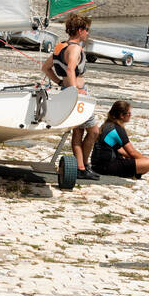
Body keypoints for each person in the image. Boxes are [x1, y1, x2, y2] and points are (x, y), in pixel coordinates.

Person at [41, 12, 101, 179]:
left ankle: (82, 167)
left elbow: (46, 68)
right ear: (80, 30)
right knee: (94, 131)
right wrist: (75, 91)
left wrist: (61, 84)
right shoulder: (75, 48)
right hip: (77, 93)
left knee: (78, 132)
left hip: (67, 92)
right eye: (87, 30)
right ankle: (83, 166)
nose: (88, 33)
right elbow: (70, 69)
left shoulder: (60, 47)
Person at [90, 101, 149, 178]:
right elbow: (132, 152)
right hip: (106, 167)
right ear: (122, 115)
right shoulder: (117, 129)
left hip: (97, 165)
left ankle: (130, 172)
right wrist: (146, 160)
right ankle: (130, 173)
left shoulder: (108, 125)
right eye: (129, 113)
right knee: (148, 164)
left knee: (130, 159)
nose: (130, 115)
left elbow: (120, 150)